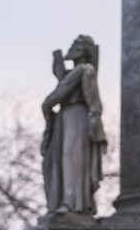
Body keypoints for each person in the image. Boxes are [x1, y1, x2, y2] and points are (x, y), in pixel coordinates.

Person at [41, 34, 106, 216]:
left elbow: (89, 100)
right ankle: (64, 201)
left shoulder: (85, 70)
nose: (71, 48)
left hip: (77, 117)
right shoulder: (73, 73)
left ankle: (72, 203)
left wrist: (95, 126)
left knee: (72, 158)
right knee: (59, 160)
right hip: (64, 117)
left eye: (76, 45)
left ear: (83, 50)